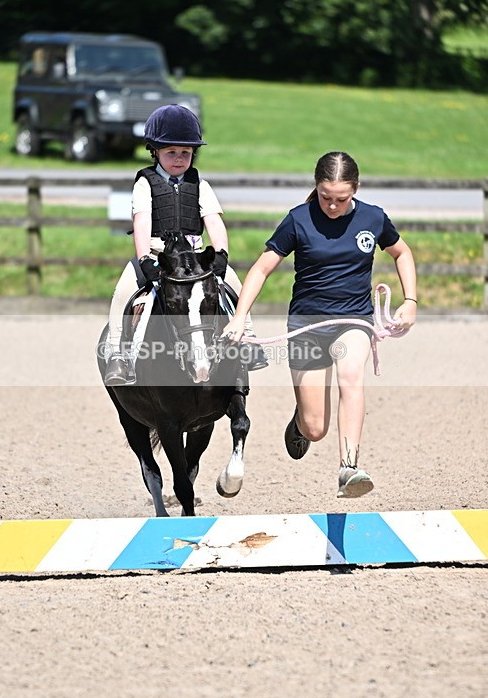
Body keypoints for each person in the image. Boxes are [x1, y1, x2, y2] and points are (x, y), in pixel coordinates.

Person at [221, 151, 417, 498]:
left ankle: (349, 468)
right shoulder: (298, 220)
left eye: (341, 199)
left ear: (355, 190)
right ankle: (300, 421)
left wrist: (411, 302)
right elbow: (262, 268)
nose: (332, 205)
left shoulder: (374, 218)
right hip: (306, 324)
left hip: (353, 319)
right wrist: (238, 317)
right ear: (317, 187)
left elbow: (402, 252)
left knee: (350, 378)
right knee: (315, 428)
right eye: (325, 197)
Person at [104, 104, 267, 385]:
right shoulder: (145, 183)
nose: (179, 159)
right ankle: (117, 354)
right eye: (171, 153)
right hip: (157, 253)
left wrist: (222, 254)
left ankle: (247, 339)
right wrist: (144, 259)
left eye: (185, 153)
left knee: (235, 284)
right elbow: (141, 223)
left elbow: (214, 221)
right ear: (155, 151)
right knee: (124, 290)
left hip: (194, 256)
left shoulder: (199, 183)